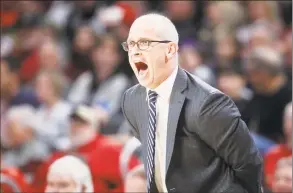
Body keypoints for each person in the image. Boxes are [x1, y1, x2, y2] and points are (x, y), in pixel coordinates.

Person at [121, 13, 263, 193]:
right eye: (131, 44)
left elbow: (248, 164)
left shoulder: (207, 103)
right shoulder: (131, 100)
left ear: (170, 50)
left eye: (144, 43)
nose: (135, 51)